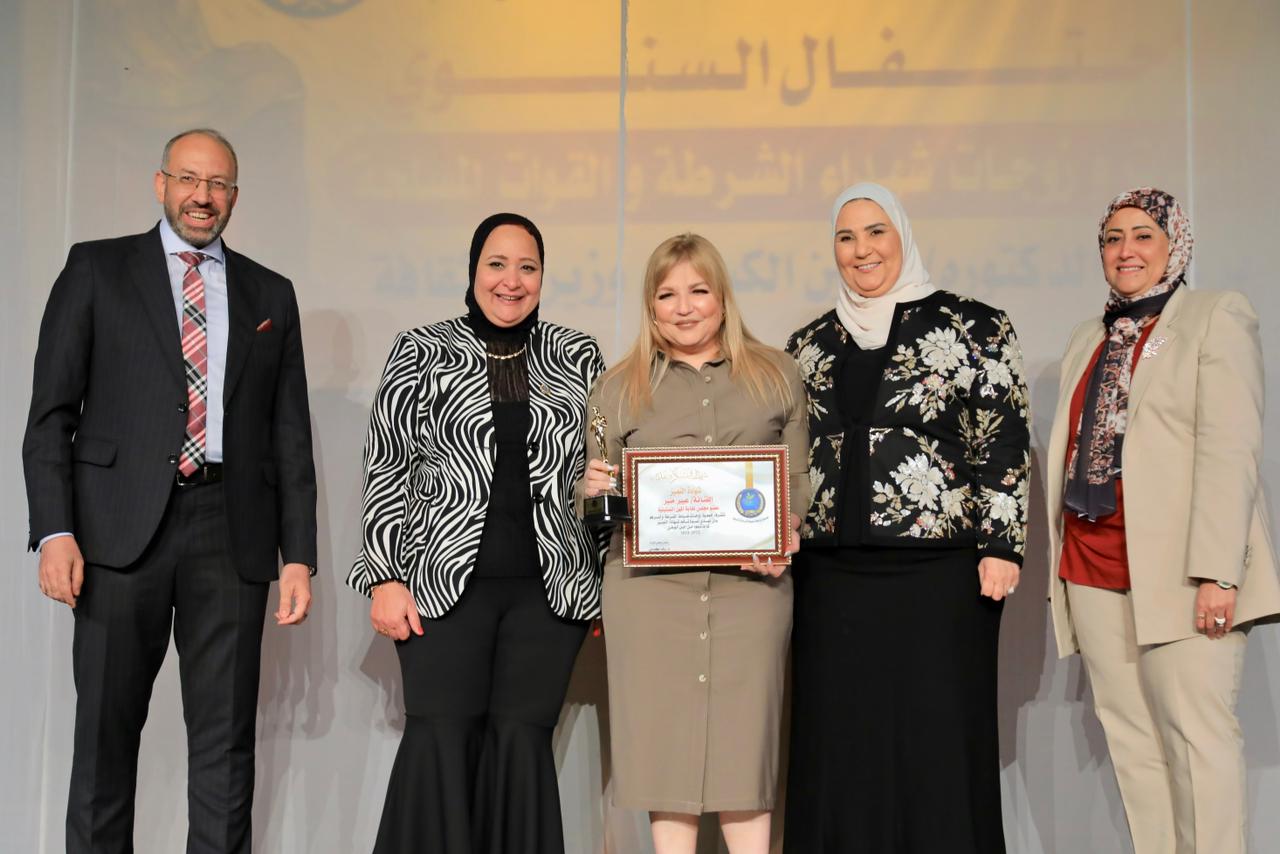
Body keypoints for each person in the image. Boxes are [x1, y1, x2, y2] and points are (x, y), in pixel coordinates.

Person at [22, 128, 317, 854]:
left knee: (226, 747)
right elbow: (51, 416)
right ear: (161, 184)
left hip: (231, 531)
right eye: (188, 179)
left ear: (234, 197)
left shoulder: (270, 292)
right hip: (116, 532)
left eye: (217, 184)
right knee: (104, 739)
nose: (202, 196)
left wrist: (298, 556)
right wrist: (55, 530)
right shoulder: (96, 270)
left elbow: (289, 435)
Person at [782, 182, 1029, 853]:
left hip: (941, 577)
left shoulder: (974, 327)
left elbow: (1003, 437)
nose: (861, 250)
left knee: (938, 743)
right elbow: (787, 453)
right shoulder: (807, 344)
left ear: (903, 236)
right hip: (831, 578)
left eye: (876, 232)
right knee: (841, 744)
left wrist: (1002, 544)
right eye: (846, 237)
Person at [347, 213, 606, 854]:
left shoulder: (579, 355)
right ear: (473, 271)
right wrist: (384, 576)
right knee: (440, 738)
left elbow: (602, 474)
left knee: (522, 744)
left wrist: (606, 583)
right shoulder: (421, 349)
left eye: (527, 267)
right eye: (497, 264)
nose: (511, 281)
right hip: (437, 589)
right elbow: (387, 466)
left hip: (550, 597)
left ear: (542, 277)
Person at [1046, 187, 1280, 854]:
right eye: (1112, 238)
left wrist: (1218, 573)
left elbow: (1229, 450)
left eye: (1143, 235)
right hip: (1092, 568)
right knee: (1135, 750)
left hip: (1182, 574)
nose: (1126, 250)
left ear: (1175, 244)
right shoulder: (1088, 336)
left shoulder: (1214, 316)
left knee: (1198, 746)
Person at [582, 233, 808, 854]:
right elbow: (596, 497)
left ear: (722, 297)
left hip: (752, 589)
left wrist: (786, 530)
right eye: (667, 295)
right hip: (649, 596)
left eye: (698, 291)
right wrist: (593, 488)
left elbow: (797, 479)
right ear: (650, 306)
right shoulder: (617, 386)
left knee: (745, 751)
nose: (684, 308)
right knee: (665, 755)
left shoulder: (777, 374)